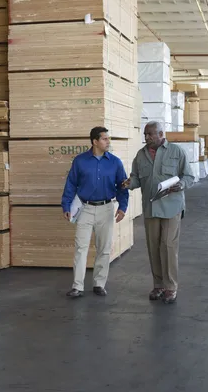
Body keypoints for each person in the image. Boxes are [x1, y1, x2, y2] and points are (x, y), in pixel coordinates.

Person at [122, 121, 195, 304]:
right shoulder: (141, 155)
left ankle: (171, 287)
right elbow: (136, 178)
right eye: (145, 134)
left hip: (172, 207)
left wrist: (181, 185)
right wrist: (129, 184)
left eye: (150, 134)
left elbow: (189, 176)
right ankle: (158, 285)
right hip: (151, 207)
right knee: (153, 247)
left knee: (168, 246)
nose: (146, 138)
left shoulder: (176, 152)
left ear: (161, 134)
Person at [61, 126, 129, 298]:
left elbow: (122, 186)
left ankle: (99, 284)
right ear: (95, 142)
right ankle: (77, 286)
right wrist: (66, 205)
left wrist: (122, 207)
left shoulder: (115, 162)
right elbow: (71, 184)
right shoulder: (80, 161)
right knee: (80, 248)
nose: (108, 142)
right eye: (105, 139)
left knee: (104, 249)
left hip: (106, 209)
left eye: (108, 138)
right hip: (85, 209)